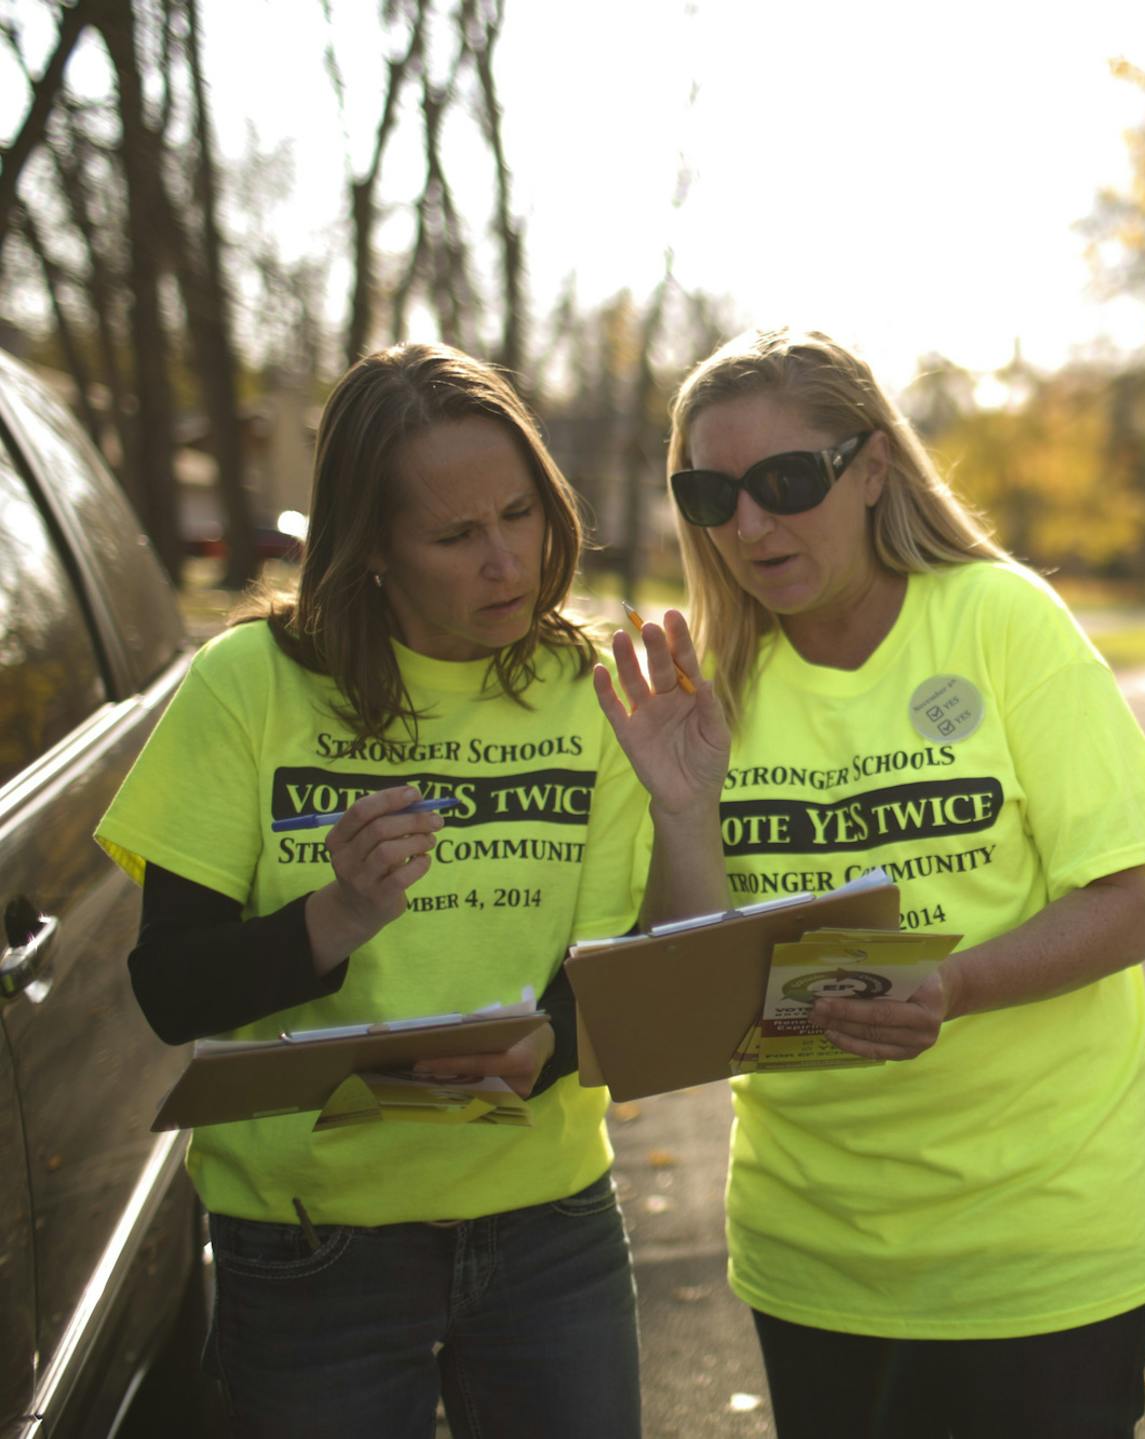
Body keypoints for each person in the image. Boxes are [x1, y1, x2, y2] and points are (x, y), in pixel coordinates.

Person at [94, 343, 728, 1438]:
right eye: (455, 535)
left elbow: (663, 990)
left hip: (547, 1227)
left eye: (520, 514)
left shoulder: (590, 687)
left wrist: (680, 814)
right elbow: (170, 986)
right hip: (309, 1243)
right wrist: (334, 918)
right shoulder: (250, 684)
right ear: (371, 548)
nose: (507, 562)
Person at [622, 327, 1145, 1438]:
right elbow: (697, 995)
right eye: (712, 492)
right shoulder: (713, 683)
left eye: (787, 482)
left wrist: (958, 985)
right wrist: (682, 805)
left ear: (873, 468)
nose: (750, 524)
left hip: (1040, 1243)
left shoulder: (1000, 619)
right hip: (817, 1251)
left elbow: (1121, 909)